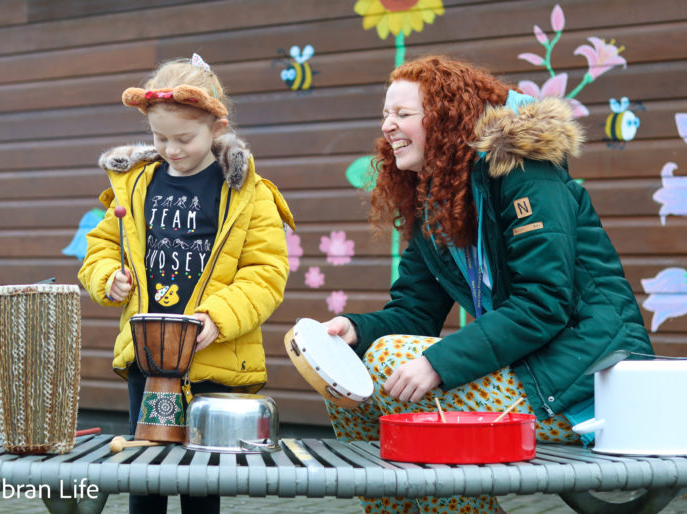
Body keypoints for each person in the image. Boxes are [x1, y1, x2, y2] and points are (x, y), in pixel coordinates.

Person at [324, 55, 653, 513]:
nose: (387, 127)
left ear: (445, 119)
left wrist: (437, 362)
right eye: (385, 115)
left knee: (394, 369)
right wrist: (353, 330)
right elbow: (416, 311)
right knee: (349, 383)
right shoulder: (437, 196)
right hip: (528, 370)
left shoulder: (524, 171)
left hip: (588, 381)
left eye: (403, 114)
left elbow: (543, 303)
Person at [78, 54, 294, 514]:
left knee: (201, 482)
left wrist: (218, 318)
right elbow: (100, 247)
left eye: (184, 138)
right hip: (147, 356)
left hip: (211, 357)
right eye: (160, 138)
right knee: (146, 472)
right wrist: (106, 278)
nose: (171, 149)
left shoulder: (247, 193)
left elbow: (266, 273)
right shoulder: (136, 185)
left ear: (217, 127)